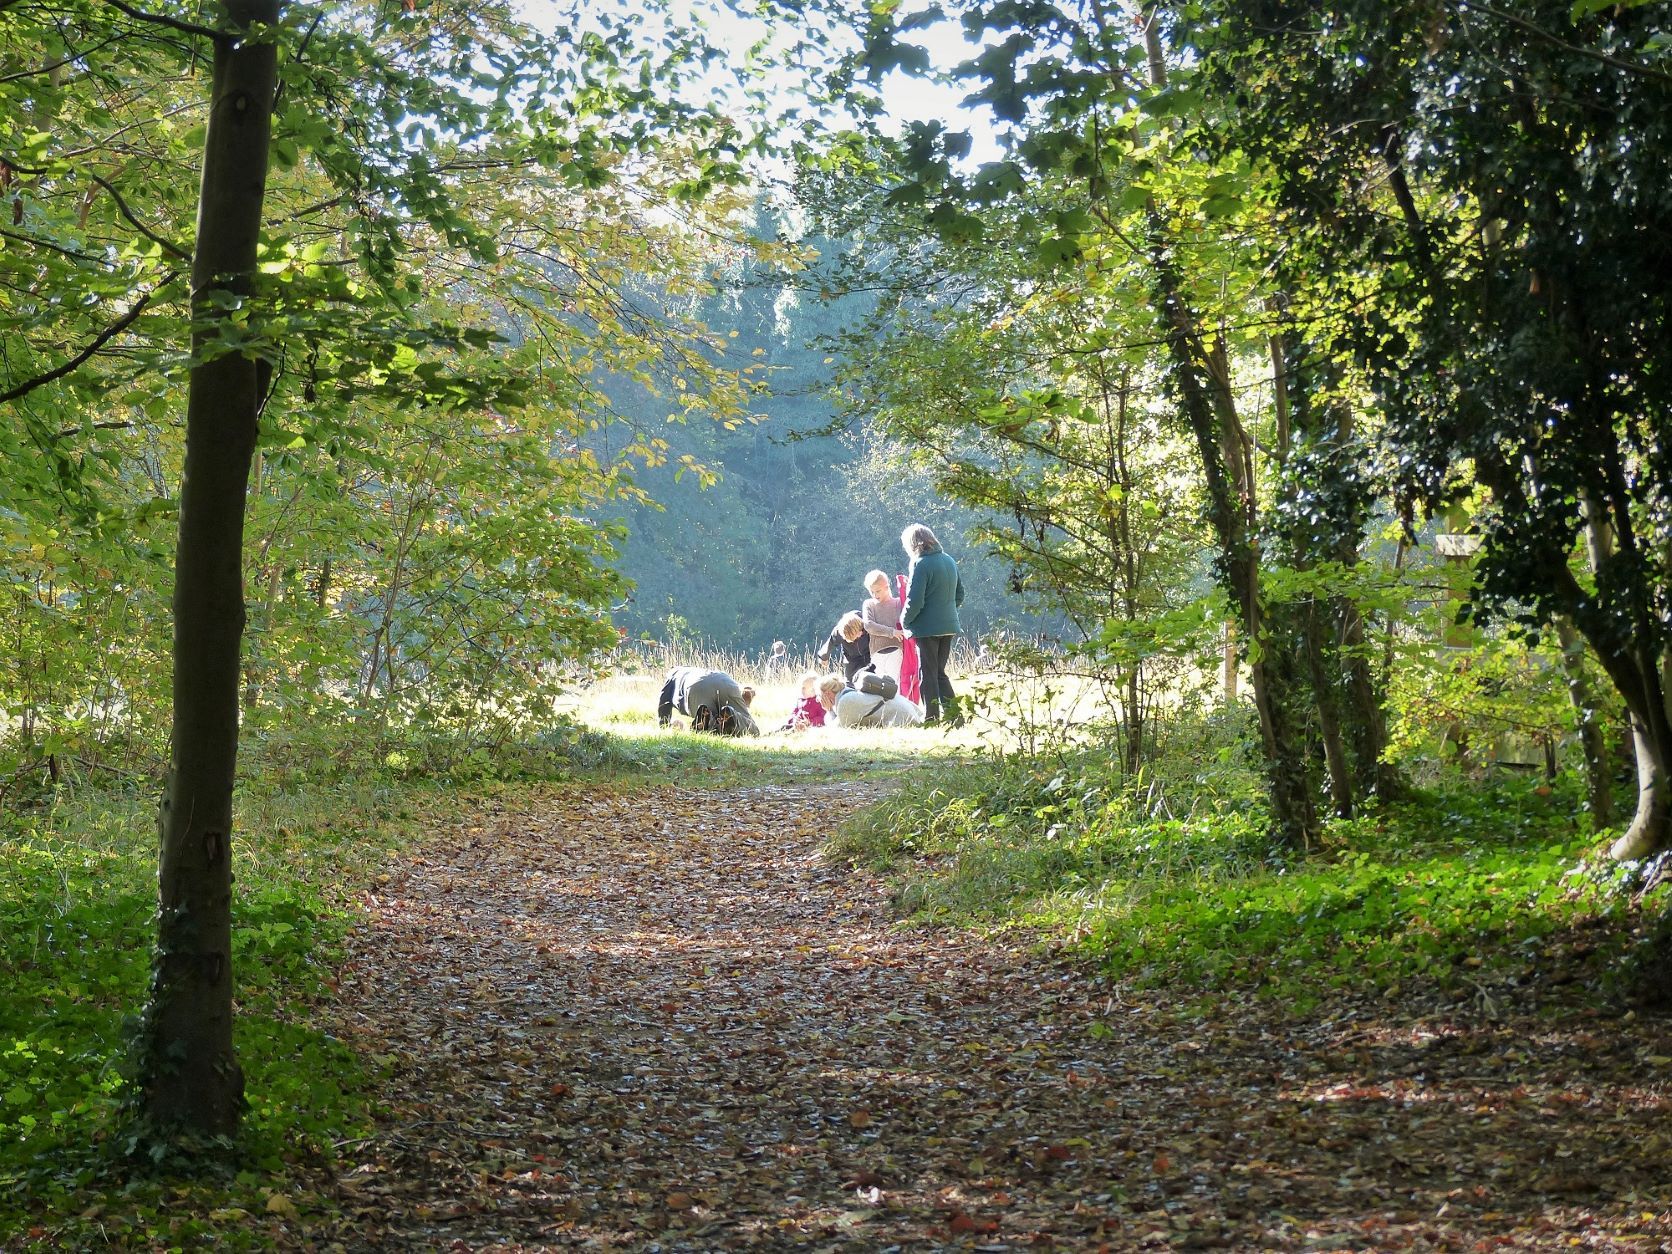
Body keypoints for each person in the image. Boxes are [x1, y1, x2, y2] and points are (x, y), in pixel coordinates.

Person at [899, 522, 965, 726]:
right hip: (949, 626)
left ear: (913, 544)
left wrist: (904, 620)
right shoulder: (949, 560)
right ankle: (955, 717)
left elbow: (914, 600)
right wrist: (946, 610)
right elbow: (960, 594)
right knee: (939, 672)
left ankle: (931, 718)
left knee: (927, 673)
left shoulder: (921, 564)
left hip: (927, 628)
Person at [656, 666, 760, 736]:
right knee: (750, 725)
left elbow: (663, 702)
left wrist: (663, 725)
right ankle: (732, 716)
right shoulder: (692, 670)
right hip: (724, 680)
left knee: (708, 727)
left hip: (696, 687)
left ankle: (708, 718)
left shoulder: (672, 675)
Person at [816, 673, 923, 729]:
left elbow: (837, 730)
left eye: (819, 696)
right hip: (908, 712)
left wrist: (829, 711)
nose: (818, 700)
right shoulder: (849, 692)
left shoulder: (846, 701)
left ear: (828, 694)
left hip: (904, 719)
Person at [860, 569, 904, 680]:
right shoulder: (869, 604)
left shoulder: (898, 603)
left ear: (886, 587)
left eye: (878, 591)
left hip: (895, 650)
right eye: (872, 592)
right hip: (877, 653)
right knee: (879, 688)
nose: (875, 595)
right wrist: (892, 632)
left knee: (894, 687)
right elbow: (869, 625)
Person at [816, 611, 871, 681]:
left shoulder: (869, 623)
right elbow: (831, 642)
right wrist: (824, 657)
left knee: (874, 680)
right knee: (851, 682)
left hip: (870, 654)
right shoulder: (839, 631)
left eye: (857, 636)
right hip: (852, 658)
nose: (856, 639)